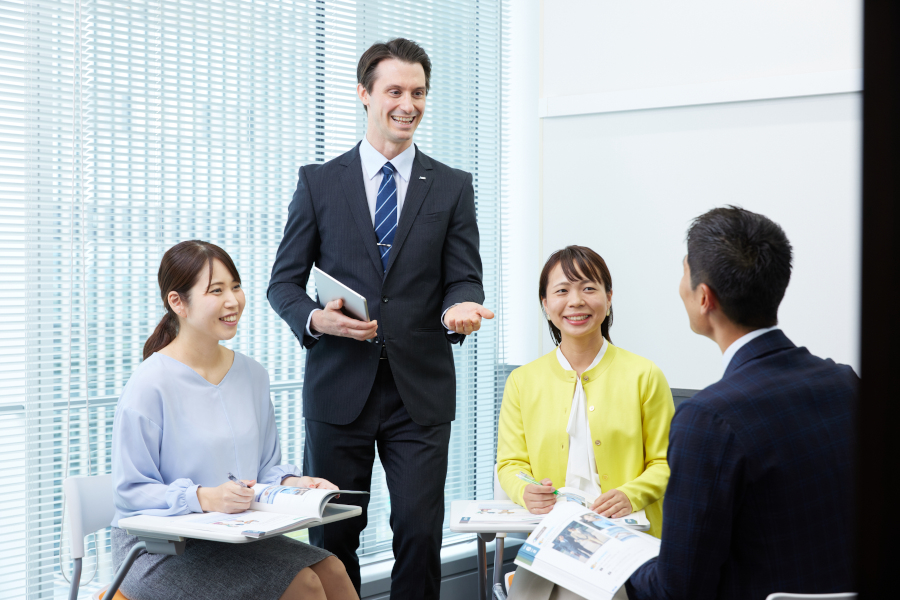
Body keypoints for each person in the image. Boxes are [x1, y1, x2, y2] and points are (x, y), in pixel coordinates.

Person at [267, 38, 492, 599]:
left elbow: (464, 277)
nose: (408, 104)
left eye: (418, 92)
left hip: (420, 391)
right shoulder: (320, 183)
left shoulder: (451, 185)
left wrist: (460, 306)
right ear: (365, 94)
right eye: (395, 90)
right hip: (340, 387)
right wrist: (319, 321)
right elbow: (283, 284)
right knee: (334, 539)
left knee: (418, 534)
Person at [627, 207, 858, 599]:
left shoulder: (708, 419)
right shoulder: (846, 383)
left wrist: (619, 562)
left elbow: (679, 590)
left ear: (704, 298)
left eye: (684, 273)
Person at [111, 241, 357, 600]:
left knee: (332, 569)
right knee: (303, 586)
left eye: (236, 286)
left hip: (231, 535)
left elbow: (264, 469)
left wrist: (295, 483)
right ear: (177, 302)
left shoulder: (251, 374)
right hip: (159, 549)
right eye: (216, 290)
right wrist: (204, 497)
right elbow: (131, 493)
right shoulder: (150, 384)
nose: (233, 301)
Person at [497, 246, 674, 538]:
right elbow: (510, 463)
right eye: (562, 291)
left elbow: (666, 461)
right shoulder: (522, 381)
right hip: (552, 533)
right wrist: (524, 490)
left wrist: (631, 495)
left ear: (609, 297)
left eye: (589, 288)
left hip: (629, 534)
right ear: (545, 303)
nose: (576, 301)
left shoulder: (645, 375)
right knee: (531, 586)